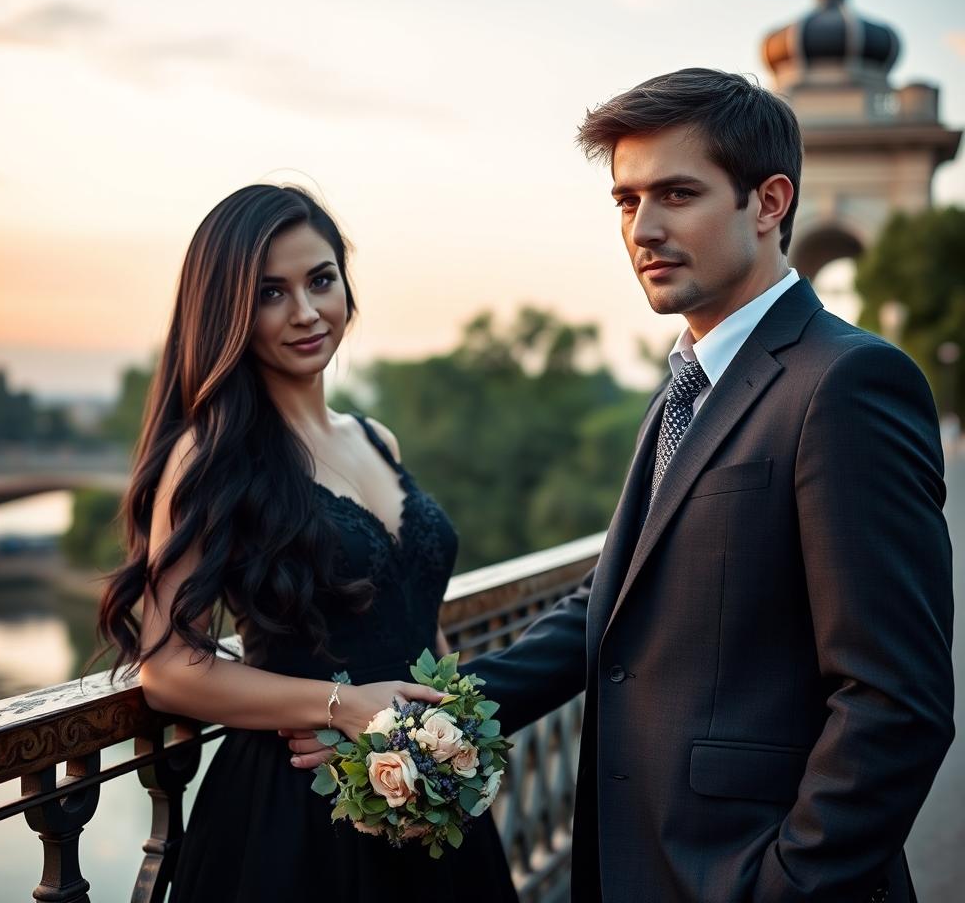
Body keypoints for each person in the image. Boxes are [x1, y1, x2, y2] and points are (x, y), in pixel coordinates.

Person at [290, 68, 954, 902]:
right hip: (640, 863)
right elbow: (612, 599)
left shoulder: (849, 383)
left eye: (677, 193)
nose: (644, 228)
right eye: (626, 201)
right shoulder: (690, 379)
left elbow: (897, 700)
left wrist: (786, 885)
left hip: (748, 872)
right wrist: (424, 713)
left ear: (770, 201)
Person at [97, 184, 518, 903]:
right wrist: (342, 707)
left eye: (320, 280)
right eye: (270, 293)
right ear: (228, 312)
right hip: (299, 808)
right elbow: (168, 670)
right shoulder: (212, 457)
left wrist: (460, 749)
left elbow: (418, 619)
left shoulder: (373, 438)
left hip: (429, 790)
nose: (305, 312)